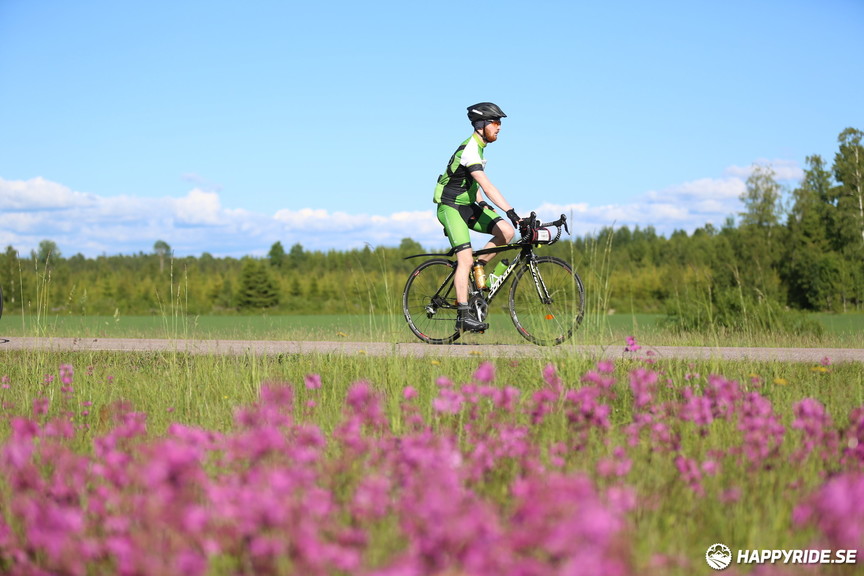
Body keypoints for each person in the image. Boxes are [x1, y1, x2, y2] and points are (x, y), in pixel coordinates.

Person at [433, 102, 521, 332]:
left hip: (468, 205)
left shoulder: (479, 148)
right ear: (482, 125)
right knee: (464, 259)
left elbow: (472, 181)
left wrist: (481, 202)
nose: (499, 127)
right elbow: (487, 184)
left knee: (507, 232)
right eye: (496, 122)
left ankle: (479, 268)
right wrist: (512, 212)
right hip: (450, 207)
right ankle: (463, 315)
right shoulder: (470, 148)